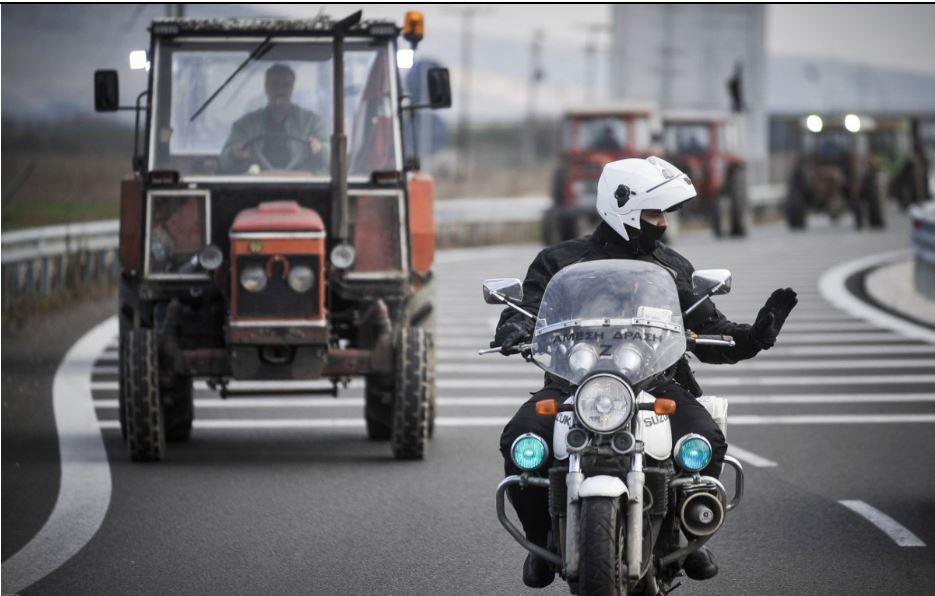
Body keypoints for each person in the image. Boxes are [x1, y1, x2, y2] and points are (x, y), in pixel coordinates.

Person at [493, 156, 798, 588]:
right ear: (624, 207)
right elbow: (527, 308)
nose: (663, 223)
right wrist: (514, 327)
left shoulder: (671, 268)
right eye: (654, 213)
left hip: (657, 383)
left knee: (705, 440)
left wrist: (754, 336)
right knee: (521, 440)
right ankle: (540, 540)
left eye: (664, 213)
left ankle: (687, 532)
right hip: (571, 384)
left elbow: (709, 329)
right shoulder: (559, 261)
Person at [219, 63, 328, 173]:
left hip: (304, 182)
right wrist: (234, 155)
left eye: (286, 85)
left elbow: (333, 156)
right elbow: (222, 162)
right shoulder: (246, 125)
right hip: (256, 182)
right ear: (266, 87)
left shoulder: (312, 122)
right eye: (275, 84)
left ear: (292, 88)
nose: (280, 90)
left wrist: (321, 150)